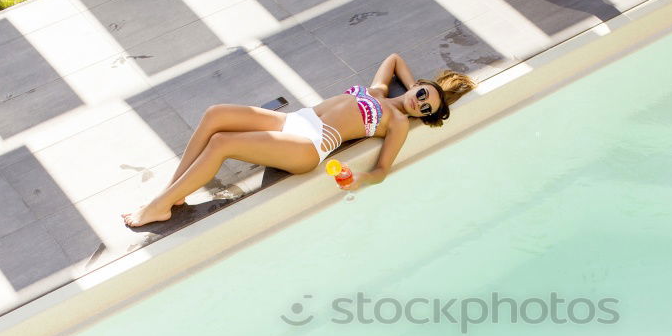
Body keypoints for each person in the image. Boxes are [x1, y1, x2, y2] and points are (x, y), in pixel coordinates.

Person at [122, 53, 476, 226]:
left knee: (221, 143)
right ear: (419, 86)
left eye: (427, 108)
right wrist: (418, 84)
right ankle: (173, 193)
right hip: (293, 121)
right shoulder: (379, 91)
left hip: (311, 146)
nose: (422, 102)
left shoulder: (397, 121)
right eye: (425, 94)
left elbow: (383, 169)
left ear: (422, 117)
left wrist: (360, 179)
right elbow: (394, 58)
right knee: (215, 114)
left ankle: (161, 205)